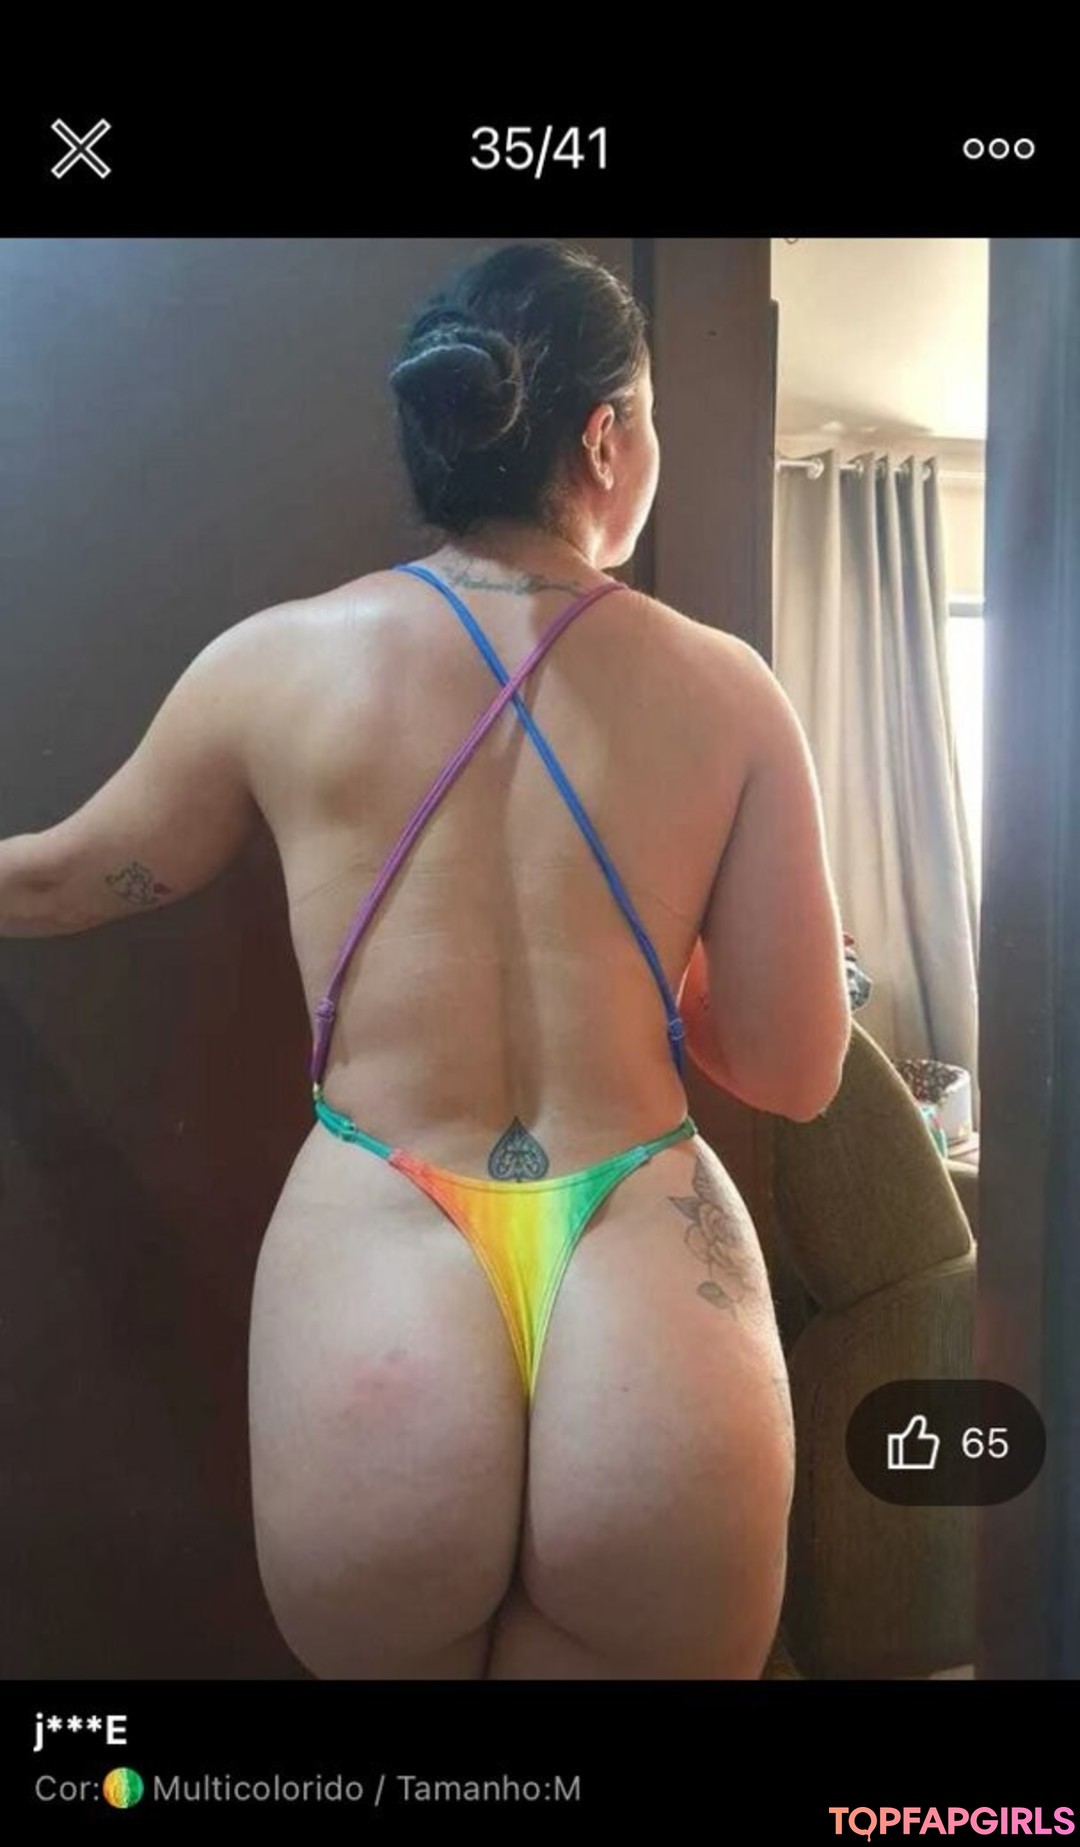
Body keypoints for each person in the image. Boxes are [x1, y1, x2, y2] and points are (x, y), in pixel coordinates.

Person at [0, 241, 850, 1679]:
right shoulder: (729, 693)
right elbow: (794, 1070)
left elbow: (58, 880)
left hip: (379, 1254)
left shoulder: (276, 663)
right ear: (607, 436)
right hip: (648, 1275)